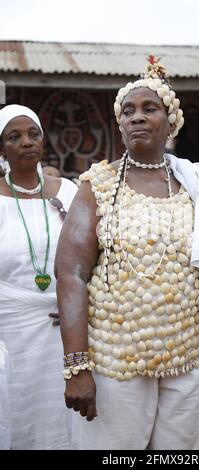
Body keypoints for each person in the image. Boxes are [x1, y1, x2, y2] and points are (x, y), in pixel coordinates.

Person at [55, 58, 199, 450]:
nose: (137, 117)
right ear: (119, 124)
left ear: (171, 122)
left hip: (192, 355)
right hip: (114, 357)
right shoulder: (95, 185)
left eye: (150, 109)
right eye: (128, 110)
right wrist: (76, 365)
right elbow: (71, 274)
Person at [0, 104, 78, 449]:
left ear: (44, 141)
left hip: (66, 328)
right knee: (17, 411)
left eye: (33, 134)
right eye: (14, 137)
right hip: (10, 328)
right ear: (2, 149)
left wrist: (78, 306)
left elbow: (93, 256)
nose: (26, 142)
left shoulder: (69, 193)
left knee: (64, 419)